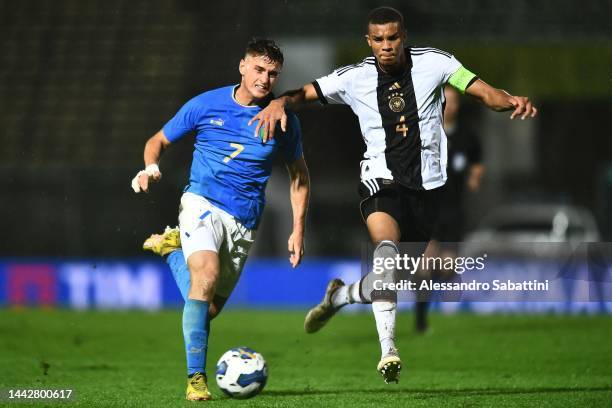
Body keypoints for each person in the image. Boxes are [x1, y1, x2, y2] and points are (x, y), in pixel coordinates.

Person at [248, 6, 537, 384]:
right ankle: (388, 350)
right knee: (385, 251)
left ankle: (339, 297)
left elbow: (481, 91)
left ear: (404, 36)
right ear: (369, 41)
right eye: (379, 39)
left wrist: (512, 100)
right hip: (380, 179)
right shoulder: (355, 77)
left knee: (391, 278)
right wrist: (278, 102)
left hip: (429, 187)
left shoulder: (436, 62)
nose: (386, 46)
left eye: (393, 38)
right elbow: (307, 93)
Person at [131, 38, 310, 401]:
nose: (264, 79)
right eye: (258, 69)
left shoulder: (284, 120)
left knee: (206, 308)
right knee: (207, 276)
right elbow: (158, 140)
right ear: (242, 66)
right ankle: (195, 380)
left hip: (244, 220)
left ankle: (171, 250)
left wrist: (297, 230)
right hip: (202, 203)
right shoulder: (205, 104)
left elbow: (300, 177)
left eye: (272, 73)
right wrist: (150, 168)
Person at [415, 85, 486, 332]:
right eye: (445, 100)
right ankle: (421, 321)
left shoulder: (467, 137)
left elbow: (477, 161)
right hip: (428, 208)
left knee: (447, 268)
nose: (450, 105)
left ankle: (427, 290)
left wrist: (475, 176)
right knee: (425, 263)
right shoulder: (424, 132)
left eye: (454, 101)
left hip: (454, 211)